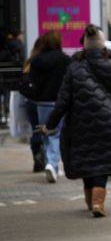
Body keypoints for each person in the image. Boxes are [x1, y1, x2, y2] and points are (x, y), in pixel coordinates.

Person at [41, 25, 111, 217]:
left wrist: (50, 125)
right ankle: (98, 201)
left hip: (79, 123)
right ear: (102, 46)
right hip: (110, 122)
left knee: (87, 159)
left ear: (85, 46)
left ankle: (90, 198)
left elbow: (62, 101)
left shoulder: (74, 68)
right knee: (102, 161)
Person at [24, 31, 71, 182]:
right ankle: (52, 164)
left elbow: (31, 81)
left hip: (42, 102)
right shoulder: (65, 59)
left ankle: (50, 162)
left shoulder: (37, 60)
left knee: (46, 133)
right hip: (59, 101)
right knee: (56, 133)